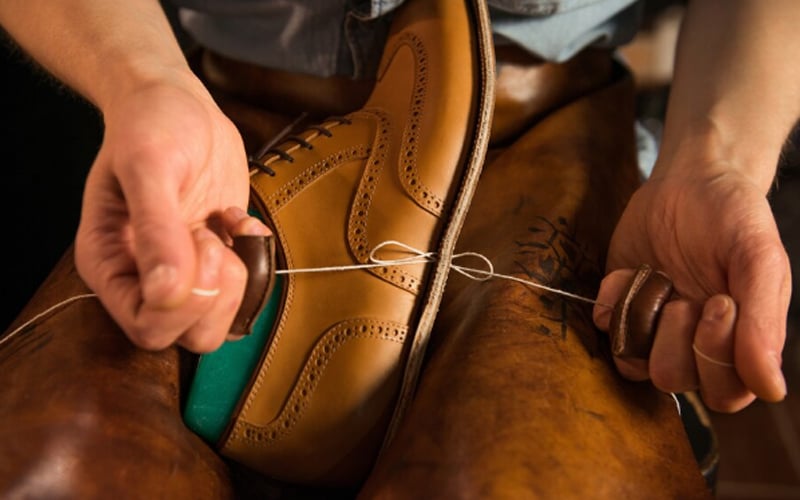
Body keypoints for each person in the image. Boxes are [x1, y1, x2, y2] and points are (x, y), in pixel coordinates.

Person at [0, 0, 795, 420]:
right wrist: (142, 85)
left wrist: (716, 157)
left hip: (552, 136)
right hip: (219, 131)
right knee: (55, 468)